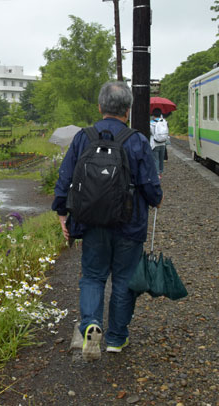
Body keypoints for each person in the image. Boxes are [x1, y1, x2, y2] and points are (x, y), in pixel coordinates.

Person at [52, 81, 162, 361]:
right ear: (128, 109)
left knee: (92, 276)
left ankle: (90, 323)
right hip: (130, 224)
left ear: (100, 107)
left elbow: (65, 178)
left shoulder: (83, 138)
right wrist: (156, 197)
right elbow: (151, 190)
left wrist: (62, 212)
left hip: (91, 224)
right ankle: (115, 338)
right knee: (124, 280)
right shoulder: (136, 140)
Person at [149, 109, 169, 176]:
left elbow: (151, 133)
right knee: (161, 160)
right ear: (160, 114)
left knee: (156, 160)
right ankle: (160, 172)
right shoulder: (164, 121)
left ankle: (157, 175)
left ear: (153, 115)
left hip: (154, 144)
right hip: (163, 143)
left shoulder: (151, 123)